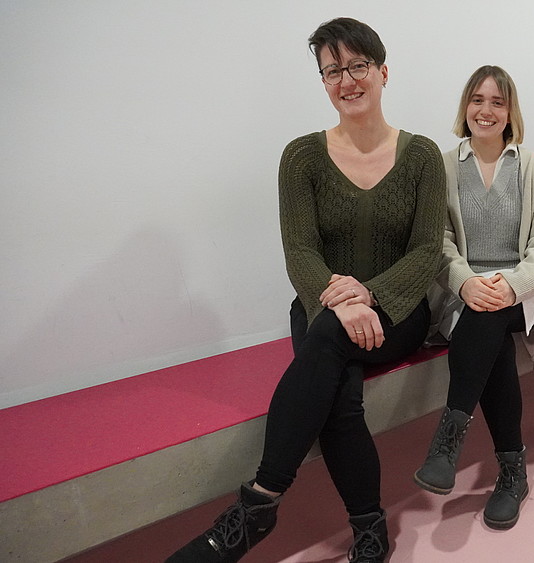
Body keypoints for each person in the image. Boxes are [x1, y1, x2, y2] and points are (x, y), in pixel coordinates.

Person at [167, 18, 446, 563]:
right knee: (339, 391)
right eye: (332, 70)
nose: (347, 79)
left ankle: (256, 508)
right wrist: (338, 300)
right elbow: (299, 251)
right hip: (322, 308)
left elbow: (425, 252)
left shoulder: (422, 156)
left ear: (383, 72)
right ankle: (370, 530)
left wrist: (367, 295)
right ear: (323, 81)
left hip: (397, 311)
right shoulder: (301, 157)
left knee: (326, 351)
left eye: (358, 65)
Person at [413, 66, 534, 530]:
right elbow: (434, 240)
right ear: (466, 107)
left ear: (509, 111)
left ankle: (450, 437)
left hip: (523, 292)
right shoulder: (442, 165)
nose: (486, 110)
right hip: (463, 294)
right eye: (478, 100)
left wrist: (513, 284)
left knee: (492, 316)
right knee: (489, 336)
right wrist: (463, 281)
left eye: (497, 102)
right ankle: (512, 472)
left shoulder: (533, 167)